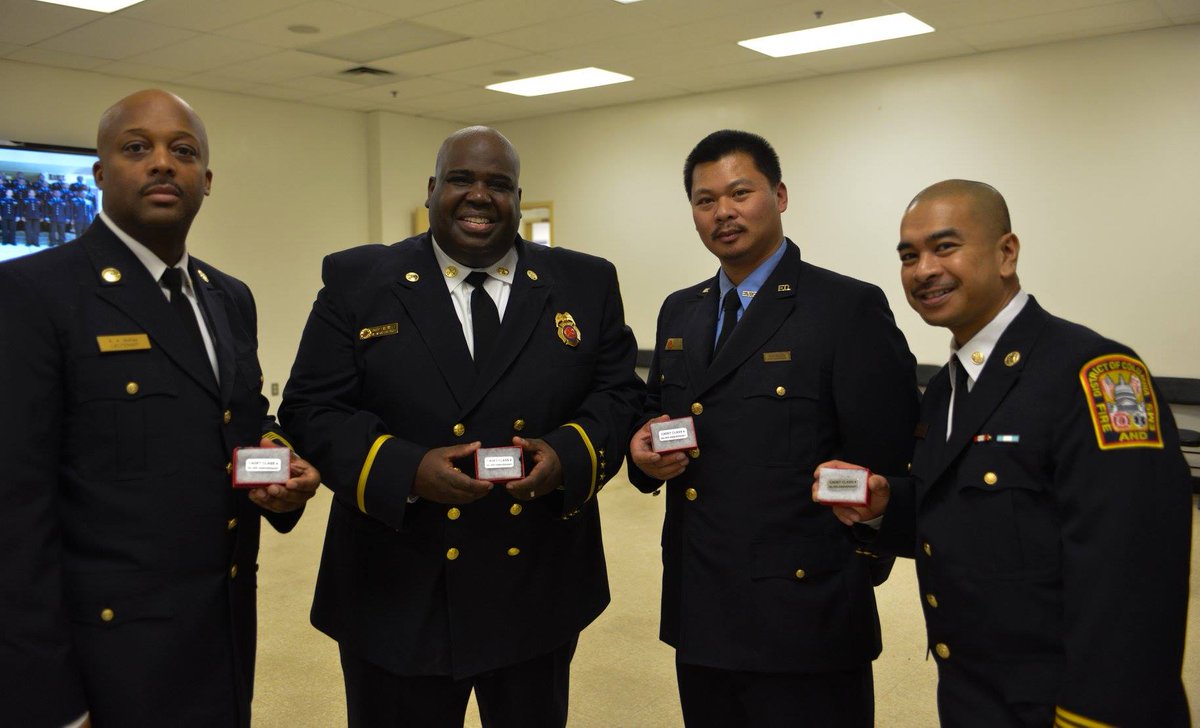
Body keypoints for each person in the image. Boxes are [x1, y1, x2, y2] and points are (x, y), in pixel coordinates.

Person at [279, 126, 644, 727]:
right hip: (396, 583)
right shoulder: (360, 279)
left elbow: (619, 393)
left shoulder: (585, 281)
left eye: (498, 184)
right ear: (431, 189)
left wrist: (567, 455)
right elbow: (311, 408)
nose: (479, 196)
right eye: (461, 179)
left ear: (518, 198)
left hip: (537, 580)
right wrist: (406, 469)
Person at [816, 179, 1193, 726]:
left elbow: (1133, 582)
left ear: (1006, 253)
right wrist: (885, 506)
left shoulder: (1095, 376)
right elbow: (972, 518)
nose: (923, 270)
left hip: (1065, 706)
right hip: (979, 696)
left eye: (945, 247)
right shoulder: (947, 388)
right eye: (908, 256)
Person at [0, 89, 321, 728]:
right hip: (110, 650)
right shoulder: (33, 294)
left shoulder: (228, 296)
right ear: (99, 173)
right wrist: (48, 702)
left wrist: (282, 471)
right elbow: (14, 515)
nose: (162, 163)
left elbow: (240, 420)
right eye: (136, 147)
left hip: (221, 631)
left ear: (207, 180)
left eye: (183, 151)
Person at [626, 129, 920, 727]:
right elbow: (657, 412)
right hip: (701, 605)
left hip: (805, 616)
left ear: (780, 196)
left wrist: (853, 570)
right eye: (705, 200)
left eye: (740, 193)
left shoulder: (845, 308)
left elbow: (887, 461)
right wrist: (641, 455)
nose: (723, 212)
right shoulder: (681, 310)